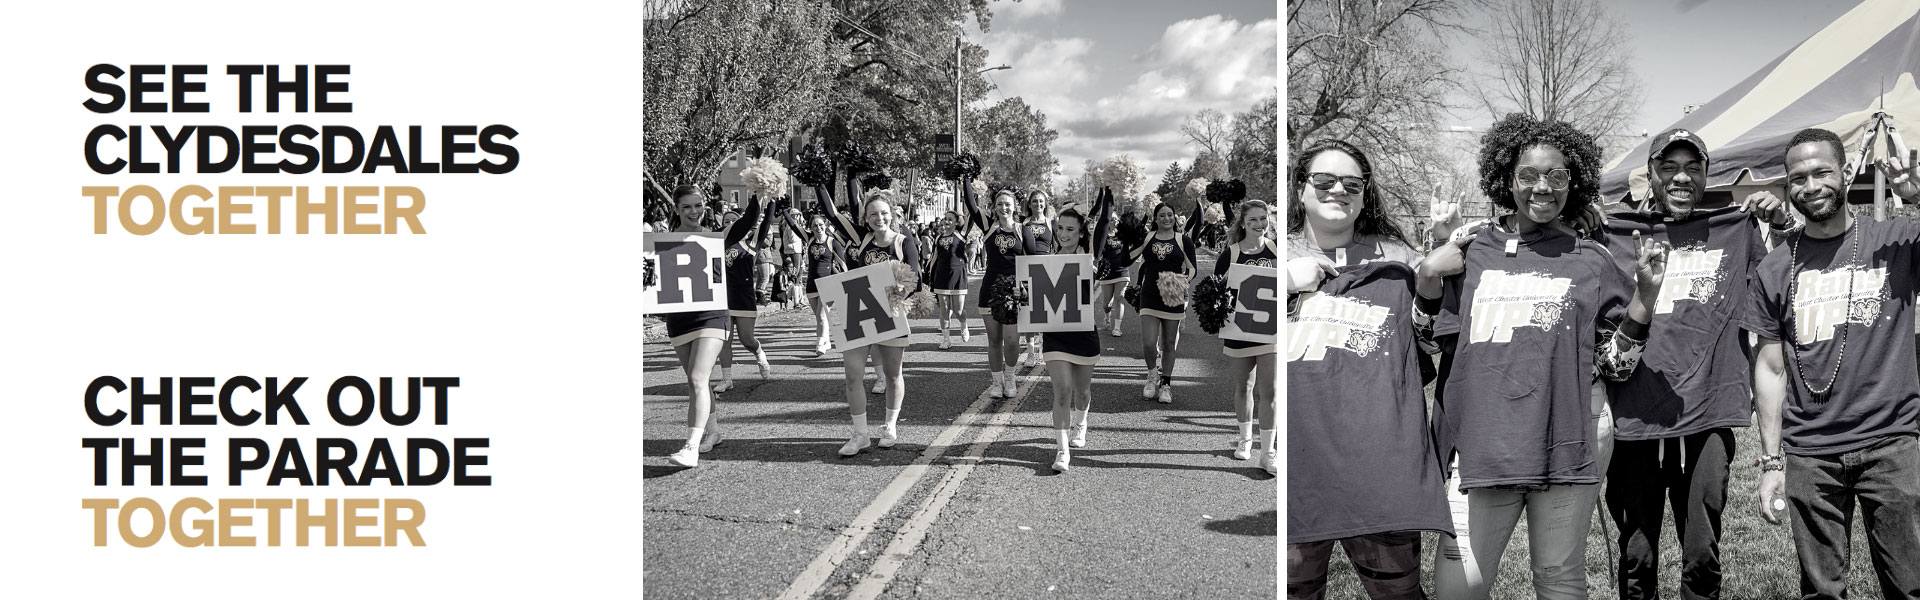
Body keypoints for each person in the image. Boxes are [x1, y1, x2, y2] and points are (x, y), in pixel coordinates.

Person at [1422, 113, 1669, 599]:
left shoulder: (1591, 259)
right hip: (1481, 447)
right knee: (1458, 587)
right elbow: (1429, 338)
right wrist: (1430, 268)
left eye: (1557, 176)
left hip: (1565, 444)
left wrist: (1644, 297)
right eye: (1528, 175)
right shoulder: (1470, 250)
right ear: (1505, 179)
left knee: (1559, 578)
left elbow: (1614, 365)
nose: (1543, 187)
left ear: (1572, 182)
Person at [1594, 128, 1797, 600]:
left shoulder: (1734, 230)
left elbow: (1786, 283)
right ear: (1650, 176)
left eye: (1693, 167)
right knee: (1636, 557)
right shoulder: (1616, 235)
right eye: (1669, 167)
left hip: (1708, 414)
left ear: (1707, 175)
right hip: (1635, 420)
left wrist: (1783, 223)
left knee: (1703, 554)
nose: (1681, 177)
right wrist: (1581, 219)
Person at [1742, 131, 1920, 599]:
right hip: (1810, 453)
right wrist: (1770, 460)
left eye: (1822, 172)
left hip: (1892, 443)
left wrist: (1918, 196)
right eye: (1797, 178)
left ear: (1846, 172)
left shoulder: (1895, 241)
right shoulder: (1776, 269)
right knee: (1821, 592)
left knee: (1912, 584)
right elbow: (1770, 367)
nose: (1811, 185)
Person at [1286, 141, 1448, 599]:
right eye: (1323, 180)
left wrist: (1436, 258)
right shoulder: (1275, 256)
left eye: (1351, 183)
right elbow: (1231, 323)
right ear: (1302, 190)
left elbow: (1432, 339)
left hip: (1379, 469)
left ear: (1364, 194)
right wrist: (1283, 283)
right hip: (1299, 471)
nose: (1338, 189)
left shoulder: (1399, 263)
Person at [659, 187, 763, 468]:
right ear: (677, 210)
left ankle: (690, 446)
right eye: (687, 207)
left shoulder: (716, 237)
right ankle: (713, 431)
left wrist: (758, 193)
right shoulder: (661, 242)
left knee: (696, 377)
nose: (694, 211)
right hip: (679, 319)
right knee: (698, 383)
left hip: (712, 317)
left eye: (699, 205)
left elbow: (748, 221)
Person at [818, 182, 922, 456]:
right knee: (852, 373)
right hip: (858, 312)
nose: (880, 218)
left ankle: (889, 425)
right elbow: (832, 213)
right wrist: (821, 181)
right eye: (873, 214)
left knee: (891, 374)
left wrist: (900, 289)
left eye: (884, 213)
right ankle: (861, 434)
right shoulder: (861, 239)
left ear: (893, 214)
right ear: (865, 218)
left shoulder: (903, 240)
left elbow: (916, 276)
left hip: (890, 313)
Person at [1041, 190, 1115, 472]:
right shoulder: (1046, 259)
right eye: (1059, 228)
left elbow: (1104, 223)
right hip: (1055, 333)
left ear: (1081, 233)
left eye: (1070, 229)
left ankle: (1080, 423)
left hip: (1083, 333)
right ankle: (1062, 451)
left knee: (1082, 392)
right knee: (1062, 391)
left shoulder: (1090, 258)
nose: (1063, 233)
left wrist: (1106, 193)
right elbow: (1038, 296)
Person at [1218, 199, 1279, 474]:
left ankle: (1268, 452)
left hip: (1270, 331)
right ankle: (1245, 440)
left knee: (1271, 391)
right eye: (1253, 220)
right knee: (1244, 387)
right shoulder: (1230, 253)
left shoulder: (1279, 250)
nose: (1259, 224)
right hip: (1240, 330)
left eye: (1263, 218)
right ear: (1243, 223)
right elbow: (1215, 292)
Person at [1122, 200, 1199, 404]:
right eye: (1162, 215)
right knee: (1148, 343)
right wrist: (1124, 242)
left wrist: (1181, 282)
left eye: (1170, 215)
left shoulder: (1183, 240)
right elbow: (1129, 258)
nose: (1166, 218)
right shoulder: (1148, 238)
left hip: (1172, 292)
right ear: (1155, 219)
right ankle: (1151, 376)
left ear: (1175, 218)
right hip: (1149, 295)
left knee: (1168, 343)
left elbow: (1192, 268)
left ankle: (1166, 384)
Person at [960, 185, 1034, 399]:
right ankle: (997, 381)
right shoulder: (989, 226)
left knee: (1012, 341)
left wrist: (1026, 289)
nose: (1003, 208)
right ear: (994, 207)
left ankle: (1010, 377)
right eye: (999, 204)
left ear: (1015, 207)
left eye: (1007, 204)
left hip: (1015, 291)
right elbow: (971, 205)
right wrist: (966, 177)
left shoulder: (1023, 229)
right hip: (990, 290)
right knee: (994, 340)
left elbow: (1032, 261)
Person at [712, 199, 776, 393]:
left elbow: (765, 224)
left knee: (746, 339)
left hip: (744, 296)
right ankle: (727, 379)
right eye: (726, 220)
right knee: (724, 339)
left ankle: (760, 354)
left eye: (734, 220)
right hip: (723, 297)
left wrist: (771, 200)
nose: (729, 223)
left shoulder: (752, 242)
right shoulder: (717, 242)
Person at [786, 208, 846, 356]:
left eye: (820, 224)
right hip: (812, 283)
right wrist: (784, 211)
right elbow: (794, 226)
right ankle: (826, 340)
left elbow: (843, 265)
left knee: (821, 316)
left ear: (825, 225)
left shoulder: (832, 242)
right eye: (815, 226)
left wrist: (845, 282)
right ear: (811, 228)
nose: (818, 228)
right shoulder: (810, 238)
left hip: (828, 283)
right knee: (820, 317)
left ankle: (820, 343)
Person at [1018, 190, 1056, 368]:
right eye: (1034, 201)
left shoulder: (1051, 222)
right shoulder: (1022, 223)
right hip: (1026, 271)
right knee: (1028, 313)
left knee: (1046, 312)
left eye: (1041, 201)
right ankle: (1031, 353)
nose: (1038, 204)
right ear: (1029, 204)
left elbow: (1058, 247)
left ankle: (1043, 350)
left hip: (1047, 271)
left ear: (1046, 204)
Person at [1097, 196, 1142, 337]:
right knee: (1106, 304)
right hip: (1107, 273)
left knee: (1120, 298)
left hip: (1122, 272)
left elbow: (1136, 242)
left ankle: (1117, 328)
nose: (1114, 221)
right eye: (1112, 219)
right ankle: (1107, 318)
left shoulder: (1124, 234)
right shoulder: (1103, 235)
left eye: (1116, 219)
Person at [928, 210, 973, 349]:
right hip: (941, 276)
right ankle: (946, 339)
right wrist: (928, 274)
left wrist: (975, 196)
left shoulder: (961, 234)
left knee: (958, 311)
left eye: (950, 219)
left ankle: (963, 324)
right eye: (945, 219)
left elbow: (972, 218)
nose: (946, 221)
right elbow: (934, 258)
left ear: (956, 222)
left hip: (958, 275)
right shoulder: (938, 238)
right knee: (944, 308)